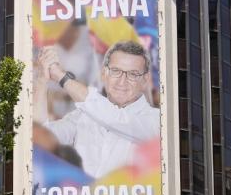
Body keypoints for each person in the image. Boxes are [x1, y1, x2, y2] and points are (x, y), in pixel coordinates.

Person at [37, 41, 161, 178]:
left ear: (145, 80)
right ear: (103, 74)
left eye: (133, 74)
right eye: (116, 71)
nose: (122, 81)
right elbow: (43, 137)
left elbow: (114, 117)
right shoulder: (83, 115)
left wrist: (61, 77)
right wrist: (43, 79)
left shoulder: (156, 121)